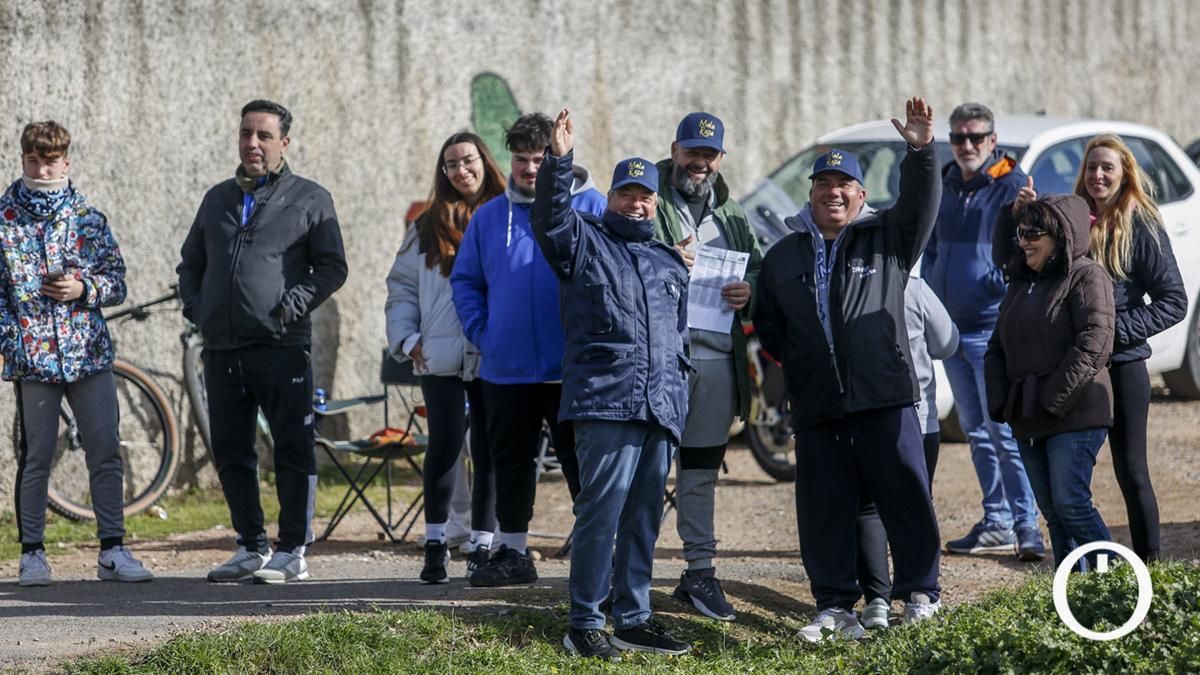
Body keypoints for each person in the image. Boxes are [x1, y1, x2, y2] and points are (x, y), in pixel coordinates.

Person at [753, 97, 943, 642]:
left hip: (884, 394)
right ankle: (834, 607)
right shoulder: (785, 255)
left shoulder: (888, 239)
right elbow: (770, 325)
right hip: (818, 404)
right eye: (823, 184)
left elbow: (921, 202)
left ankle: (921, 595)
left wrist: (922, 151)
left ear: (861, 195)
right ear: (809, 194)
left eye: (844, 185)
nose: (832, 192)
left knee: (906, 495)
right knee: (824, 508)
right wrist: (807, 364)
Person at [533, 108, 691, 661]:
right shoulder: (582, 241)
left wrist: (680, 399)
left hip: (659, 405)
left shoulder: (670, 263)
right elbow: (550, 220)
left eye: (645, 195)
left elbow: (680, 341)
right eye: (627, 193)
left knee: (646, 513)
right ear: (611, 199)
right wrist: (559, 161)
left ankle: (634, 617)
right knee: (602, 510)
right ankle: (584, 621)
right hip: (605, 401)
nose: (637, 203)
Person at [178, 100, 348, 584]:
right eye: (246, 134)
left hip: (281, 346)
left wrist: (288, 307)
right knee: (232, 450)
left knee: (292, 447)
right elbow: (191, 263)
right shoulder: (217, 199)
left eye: (264, 136)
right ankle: (250, 545)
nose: (253, 143)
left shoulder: (310, 198)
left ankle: (292, 549)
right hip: (222, 347)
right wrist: (199, 308)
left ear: (284, 144)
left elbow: (332, 268)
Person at [1008, 134, 1185, 562]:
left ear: (1125, 173)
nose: (1098, 175)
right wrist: (1023, 216)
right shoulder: (1069, 221)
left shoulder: (1140, 224)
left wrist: (1111, 332)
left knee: (1131, 470)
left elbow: (1173, 301)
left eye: (1108, 167)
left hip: (1121, 367)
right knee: (1064, 484)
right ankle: (1074, 572)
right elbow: (1024, 268)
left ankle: (1150, 566)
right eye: (1091, 167)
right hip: (1071, 370)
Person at [450, 113, 606, 587]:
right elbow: (466, 281)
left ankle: (600, 557)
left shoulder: (593, 207)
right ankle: (514, 553)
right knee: (509, 464)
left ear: (559, 157)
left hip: (572, 370)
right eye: (521, 159)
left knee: (583, 466)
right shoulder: (490, 215)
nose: (530, 169)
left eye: (541, 159)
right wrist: (485, 333)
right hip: (507, 369)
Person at [1, 121, 154, 586]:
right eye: (34, 160)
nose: (42, 169)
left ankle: (112, 549)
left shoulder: (88, 218)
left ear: (66, 162)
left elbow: (117, 281)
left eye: (51, 161)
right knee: (38, 454)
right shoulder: (5, 220)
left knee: (105, 448)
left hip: (87, 354)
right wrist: (12, 339)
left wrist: (83, 289)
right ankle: (33, 554)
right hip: (34, 358)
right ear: (23, 160)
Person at [921, 102, 1045, 561]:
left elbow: (1028, 252)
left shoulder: (1014, 186)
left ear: (993, 140)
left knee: (1006, 432)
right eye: (958, 138)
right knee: (975, 431)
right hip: (951, 330)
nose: (967, 146)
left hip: (993, 329)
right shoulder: (945, 183)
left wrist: (993, 285)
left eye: (976, 137)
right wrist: (935, 283)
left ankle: (1026, 524)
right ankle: (996, 521)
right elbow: (931, 247)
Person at [651, 112, 761, 622]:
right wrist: (663, 259)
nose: (699, 161)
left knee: (698, 472)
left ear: (721, 158)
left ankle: (699, 572)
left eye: (709, 154)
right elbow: (616, 254)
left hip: (716, 360)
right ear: (675, 149)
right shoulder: (647, 199)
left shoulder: (734, 215)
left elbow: (758, 270)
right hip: (658, 359)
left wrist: (751, 292)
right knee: (645, 471)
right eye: (692, 151)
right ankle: (626, 572)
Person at [386, 132, 505, 583]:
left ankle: (483, 544)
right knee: (445, 444)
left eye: (468, 161)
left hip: (493, 351)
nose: (460, 171)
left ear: (484, 162)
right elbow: (401, 288)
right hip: (438, 353)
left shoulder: (506, 215)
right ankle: (436, 543)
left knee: (489, 450)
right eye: (451, 164)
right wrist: (407, 338)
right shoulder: (425, 224)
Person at [985, 195, 1115, 569]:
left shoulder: (1087, 275)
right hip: (1028, 415)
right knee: (1054, 514)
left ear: (1061, 235)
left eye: (1034, 233)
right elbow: (996, 347)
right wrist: (1001, 400)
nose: (1024, 240)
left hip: (1076, 412)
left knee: (1072, 503)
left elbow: (1095, 339)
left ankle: (1113, 590)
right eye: (1021, 231)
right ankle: (1073, 592)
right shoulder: (1020, 282)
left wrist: (1053, 398)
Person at [856, 275, 958, 629]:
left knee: (868, 508)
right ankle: (919, 597)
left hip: (863, 411)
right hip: (919, 417)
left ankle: (877, 602)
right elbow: (947, 343)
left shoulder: (846, 283)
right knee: (915, 502)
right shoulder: (912, 286)